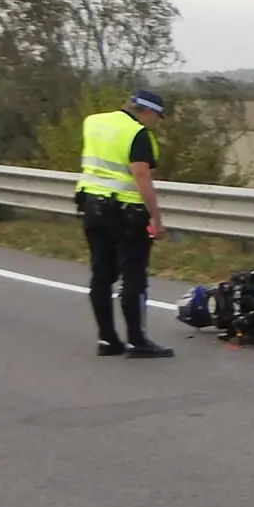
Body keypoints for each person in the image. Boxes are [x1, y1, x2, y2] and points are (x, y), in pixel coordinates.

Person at [78, 88, 175, 358]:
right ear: (147, 111)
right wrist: (156, 218)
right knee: (133, 275)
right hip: (127, 212)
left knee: (101, 275)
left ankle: (107, 340)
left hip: (92, 207)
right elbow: (141, 175)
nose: (157, 122)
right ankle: (137, 340)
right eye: (158, 116)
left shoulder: (93, 121)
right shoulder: (138, 134)